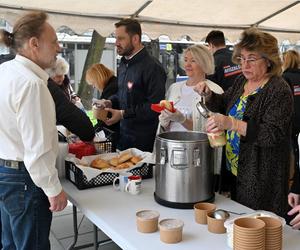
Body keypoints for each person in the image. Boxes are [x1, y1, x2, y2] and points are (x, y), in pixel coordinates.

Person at [194, 28, 293, 217]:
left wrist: (232, 124)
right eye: (242, 58)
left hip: (261, 179)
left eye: (252, 59)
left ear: (269, 60)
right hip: (234, 171)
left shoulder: (278, 89)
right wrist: (208, 95)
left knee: (255, 230)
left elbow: (272, 134)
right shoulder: (242, 81)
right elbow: (224, 103)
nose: (244, 64)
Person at [0, 11, 67, 250]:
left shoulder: (5, 71)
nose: (58, 47)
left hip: (6, 172)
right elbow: (37, 150)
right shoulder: (31, 83)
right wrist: (54, 189)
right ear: (34, 44)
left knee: (9, 244)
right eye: (54, 41)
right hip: (25, 180)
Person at [96, 18, 166, 152]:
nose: (116, 43)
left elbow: (156, 106)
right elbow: (124, 93)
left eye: (121, 38)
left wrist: (123, 114)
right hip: (123, 138)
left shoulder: (152, 67)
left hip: (144, 143)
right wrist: (110, 102)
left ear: (135, 39)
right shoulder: (123, 64)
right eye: (116, 38)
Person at [158, 44, 223, 132]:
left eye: (193, 61)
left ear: (204, 63)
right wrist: (164, 122)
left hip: (198, 145)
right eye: (185, 60)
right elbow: (164, 128)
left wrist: (182, 120)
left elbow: (214, 130)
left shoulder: (214, 91)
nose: (187, 64)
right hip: (172, 143)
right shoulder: (174, 88)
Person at [86, 63, 119, 133]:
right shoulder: (113, 83)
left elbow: (105, 118)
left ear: (98, 79)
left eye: (93, 83)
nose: (94, 87)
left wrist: (91, 132)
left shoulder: (111, 88)